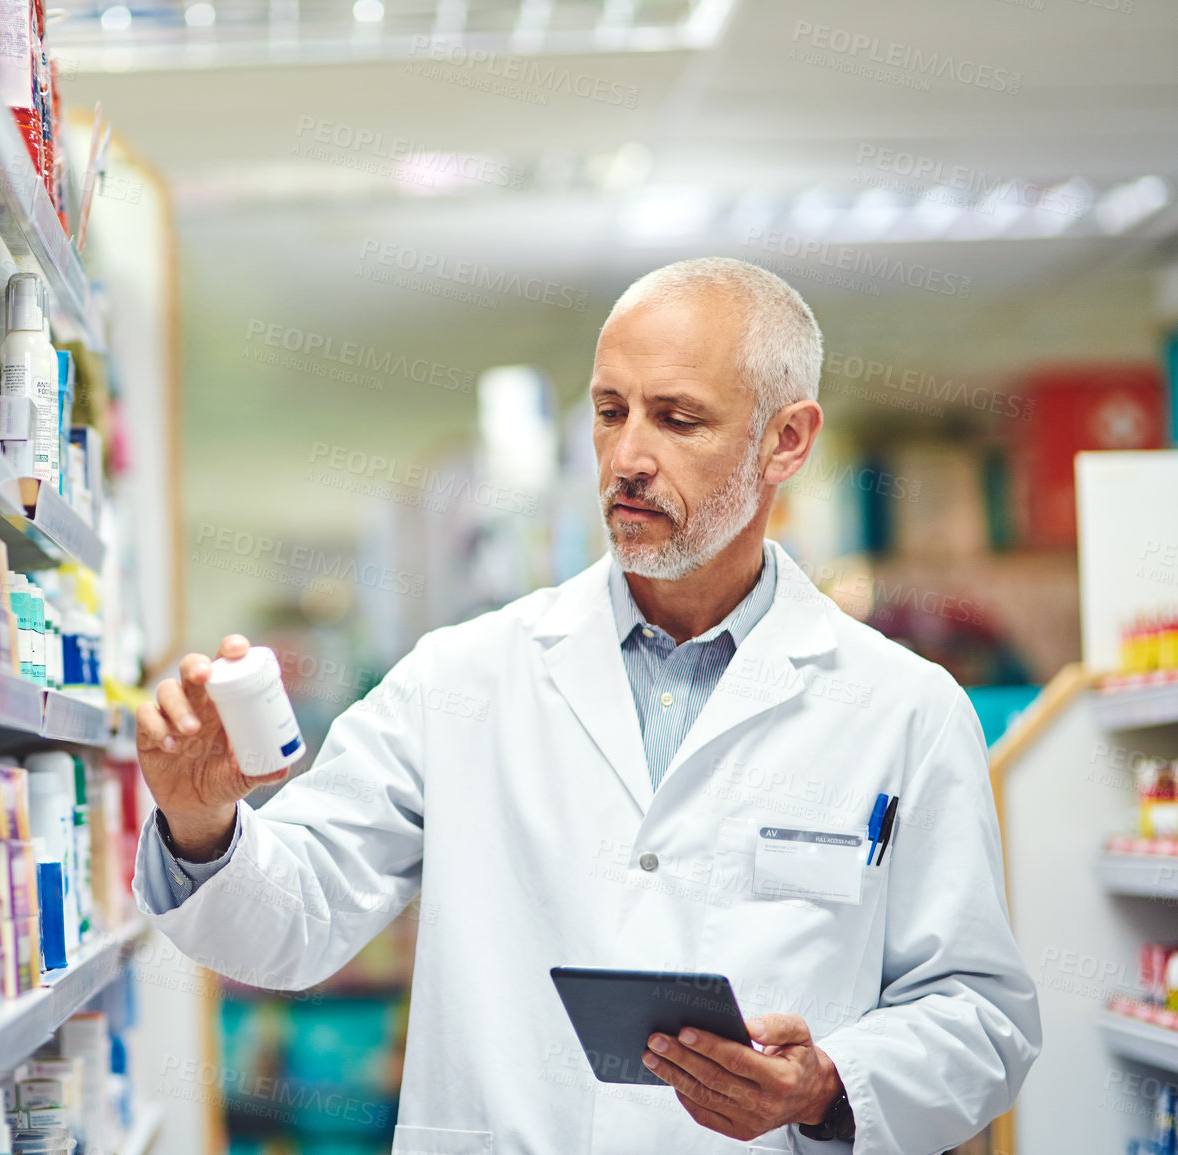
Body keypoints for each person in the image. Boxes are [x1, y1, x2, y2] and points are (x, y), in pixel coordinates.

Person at [133, 257, 1040, 1153]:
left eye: (678, 418)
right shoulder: (460, 679)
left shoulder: (903, 707)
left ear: (786, 441)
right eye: (611, 413)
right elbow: (289, 926)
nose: (629, 458)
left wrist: (826, 1082)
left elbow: (980, 1018)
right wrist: (201, 818)